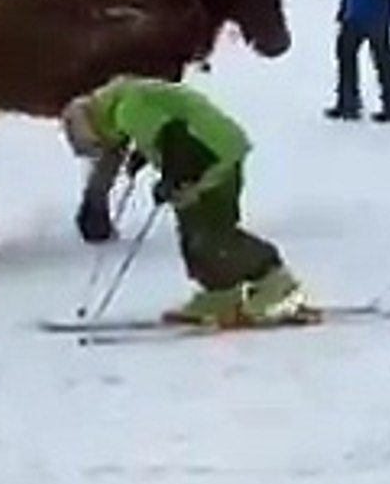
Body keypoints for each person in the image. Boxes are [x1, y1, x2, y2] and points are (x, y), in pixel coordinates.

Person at [60, 75, 312, 326]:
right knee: (192, 234)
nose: (108, 149)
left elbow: (174, 136)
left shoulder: (127, 108)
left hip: (212, 155)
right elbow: (164, 123)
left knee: (212, 233)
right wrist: (143, 154)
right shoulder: (119, 104)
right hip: (195, 158)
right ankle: (221, 292)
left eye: (100, 145)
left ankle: (275, 281)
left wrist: (170, 179)